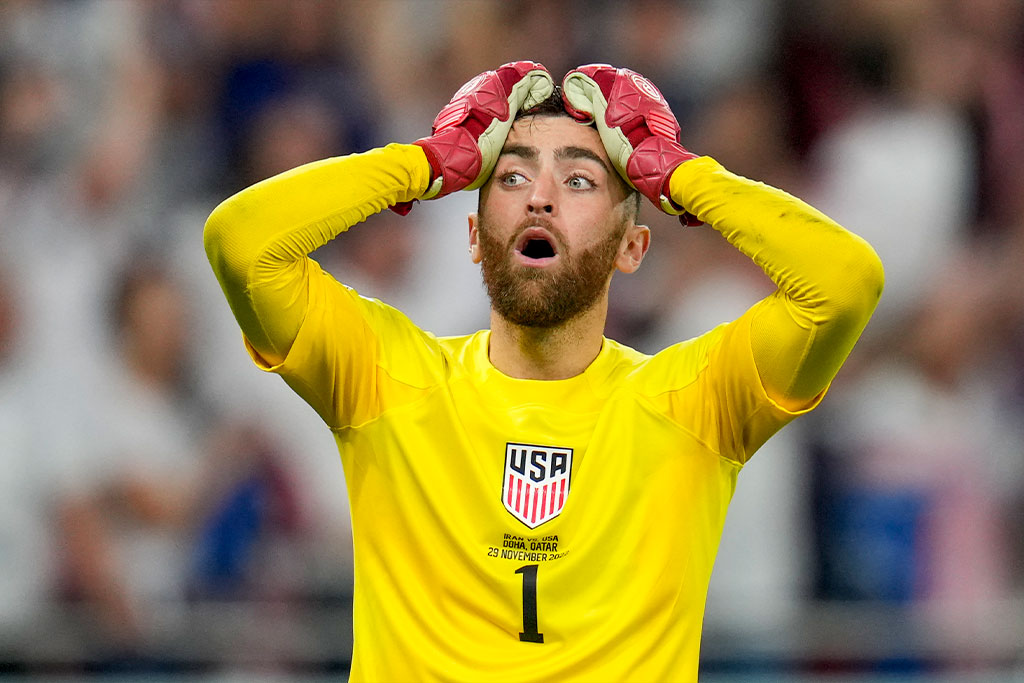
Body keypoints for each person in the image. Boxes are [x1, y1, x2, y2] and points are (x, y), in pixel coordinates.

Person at [204, 61, 884, 682]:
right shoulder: (386, 376)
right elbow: (241, 244)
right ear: (474, 236)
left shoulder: (692, 403)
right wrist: (423, 163)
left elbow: (844, 284)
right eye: (511, 176)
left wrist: (679, 175)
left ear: (632, 247)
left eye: (580, 180)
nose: (540, 198)